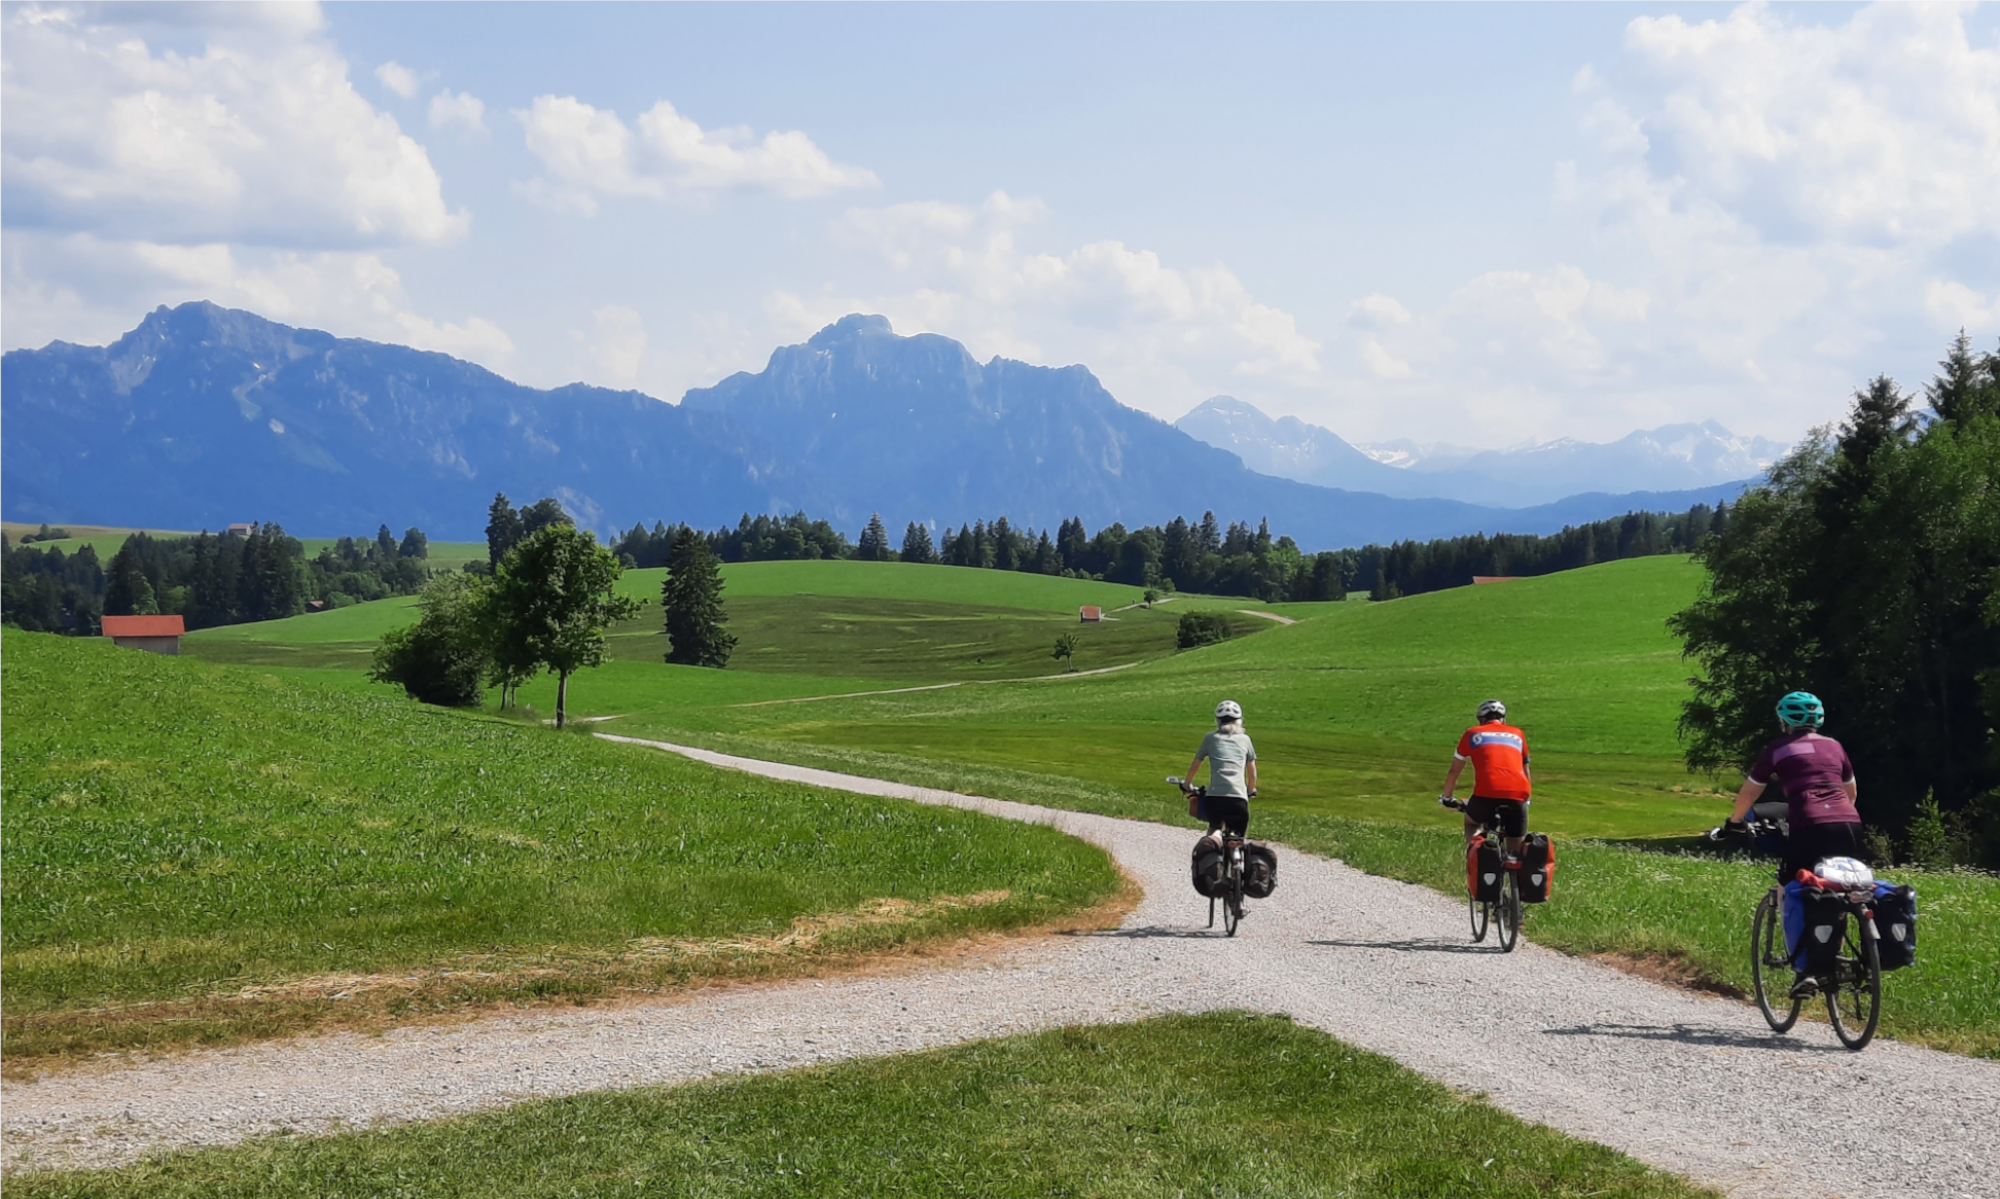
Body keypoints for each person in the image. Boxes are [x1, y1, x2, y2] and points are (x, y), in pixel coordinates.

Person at [1722, 691, 1863, 884]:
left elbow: (1749, 793)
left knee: (1790, 882)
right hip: (1849, 822)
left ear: (1784, 720)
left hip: (1809, 822)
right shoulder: (1834, 746)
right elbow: (1851, 793)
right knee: (1844, 885)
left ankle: (1789, 913)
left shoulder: (1778, 749)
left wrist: (1735, 821)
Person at [1439, 699, 1530, 856]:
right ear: (1504, 719)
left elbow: (1454, 771)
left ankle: (1479, 854)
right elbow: (1525, 770)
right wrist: (1526, 799)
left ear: (1481, 720)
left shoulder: (1472, 733)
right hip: (1519, 793)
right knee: (1516, 848)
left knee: (1472, 823)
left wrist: (1447, 797)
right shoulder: (1518, 734)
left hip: (1486, 792)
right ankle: (1515, 867)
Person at [1186, 699, 1257, 837]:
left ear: (1217, 721)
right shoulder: (1245, 739)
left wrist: (1187, 784)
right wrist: (1250, 789)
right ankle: (1238, 855)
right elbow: (1252, 773)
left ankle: (1214, 840)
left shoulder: (1210, 738)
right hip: (1238, 800)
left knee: (1214, 829)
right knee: (1238, 838)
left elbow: (1195, 764)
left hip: (1215, 799)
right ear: (1239, 721)